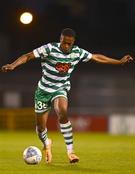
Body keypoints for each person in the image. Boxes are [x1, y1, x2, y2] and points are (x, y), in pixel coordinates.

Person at [1, 28, 133, 164]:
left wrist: (119, 61)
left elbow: (96, 57)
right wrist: (13, 65)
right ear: (60, 40)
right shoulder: (49, 48)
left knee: (62, 112)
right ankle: (47, 143)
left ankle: (71, 151)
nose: (66, 46)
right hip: (43, 91)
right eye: (64, 43)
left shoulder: (77, 52)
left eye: (69, 44)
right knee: (40, 128)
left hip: (61, 88)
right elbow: (28, 56)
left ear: (73, 42)